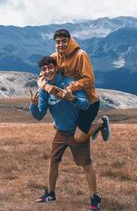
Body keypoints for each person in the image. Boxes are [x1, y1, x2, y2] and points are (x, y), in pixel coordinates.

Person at [29, 56, 102, 211]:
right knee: (53, 161)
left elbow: (85, 105)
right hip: (60, 132)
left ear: (56, 68)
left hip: (76, 130)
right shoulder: (44, 90)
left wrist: (72, 98)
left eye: (50, 67)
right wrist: (33, 106)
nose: (47, 71)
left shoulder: (69, 82)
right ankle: (50, 193)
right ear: (41, 72)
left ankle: (95, 199)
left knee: (86, 165)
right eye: (44, 69)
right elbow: (39, 115)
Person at [38, 29, 110, 143]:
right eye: (58, 42)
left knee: (78, 138)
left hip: (88, 101)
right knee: (58, 126)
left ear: (70, 41)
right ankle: (86, 128)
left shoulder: (81, 55)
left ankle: (101, 123)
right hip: (69, 102)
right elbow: (41, 76)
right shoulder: (54, 57)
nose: (61, 45)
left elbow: (89, 79)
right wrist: (46, 87)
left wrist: (70, 88)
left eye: (64, 41)